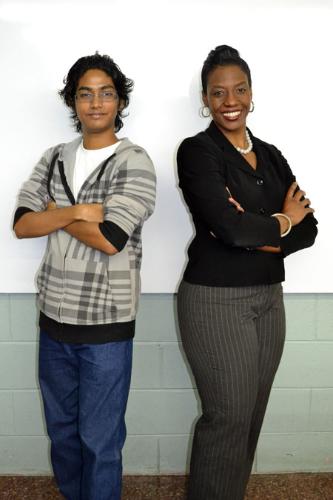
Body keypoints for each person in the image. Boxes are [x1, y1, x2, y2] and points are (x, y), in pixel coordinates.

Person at [176, 45, 317, 500]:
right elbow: (230, 230)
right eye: (218, 92)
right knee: (228, 417)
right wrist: (280, 219)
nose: (229, 100)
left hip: (268, 299)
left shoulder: (272, 156)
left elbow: (310, 228)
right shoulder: (198, 153)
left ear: (252, 94)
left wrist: (259, 229)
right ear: (206, 98)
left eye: (239, 89)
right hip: (216, 299)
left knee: (251, 415)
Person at [14, 53, 156, 500]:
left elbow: (111, 238)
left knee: (100, 441)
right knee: (63, 434)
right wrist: (74, 212)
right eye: (85, 94)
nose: (96, 103)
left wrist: (52, 215)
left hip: (106, 328)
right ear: (73, 102)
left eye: (106, 93)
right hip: (54, 321)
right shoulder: (54, 157)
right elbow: (21, 224)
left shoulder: (135, 161)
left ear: (119, 101)